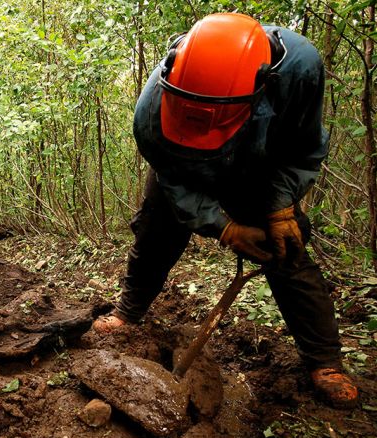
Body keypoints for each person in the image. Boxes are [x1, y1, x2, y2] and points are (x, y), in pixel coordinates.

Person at [92, 13, 359, 408]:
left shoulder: (299, 71)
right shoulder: (150, 113)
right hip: (181, 166)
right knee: (155, 234)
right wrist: (224, 227)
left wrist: (280, 204)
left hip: (261, 169)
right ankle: (128, 312)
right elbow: (174, 183)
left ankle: (324, 360)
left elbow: (304, 149)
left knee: (286, 250)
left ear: (261, 87)